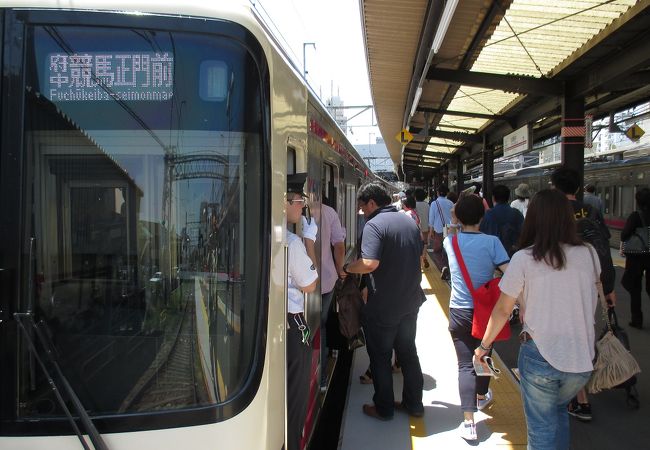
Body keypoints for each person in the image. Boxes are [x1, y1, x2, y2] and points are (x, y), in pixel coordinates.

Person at [475, 189, 599, 450]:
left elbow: (502, 310)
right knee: (558, 413)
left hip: (540, 355)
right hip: (581, 358)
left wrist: (484, 347)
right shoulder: (589, 253)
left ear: (532, 219)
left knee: (541, 431)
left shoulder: (524, 259)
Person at [344, 181, 425, 420]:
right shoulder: (409, 220)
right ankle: (414, 405)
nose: (362, 213)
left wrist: (348, 268)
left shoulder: (375, 225)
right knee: (408, 354)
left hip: (384, 307)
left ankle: (384, 407)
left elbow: (369, 263)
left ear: (372, 203)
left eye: (362, 208)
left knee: (380, 357)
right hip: (410, 302)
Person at [550, 166, 616, 421]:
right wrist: (607, 289)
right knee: (583, 333)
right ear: (577, 188)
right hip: (586, 284)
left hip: (556, 283)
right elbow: (602, 248)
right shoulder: (590, 210)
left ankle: (564, 395)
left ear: (554, 186)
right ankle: (582, 399)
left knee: (558, 336)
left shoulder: (551, 211)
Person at [444, 195, 509, 441]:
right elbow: (510, 274)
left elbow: (451, 230)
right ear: (482, 217)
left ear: (459, 218)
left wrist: (454, 219)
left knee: (464, 365)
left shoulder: (451, 241)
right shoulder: (493, 242)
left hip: (459, 310)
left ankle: (469, 423)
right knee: (484, 354)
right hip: (487, 312)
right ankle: (482, 397)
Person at [285, 173, 319, 450]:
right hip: (293, 323)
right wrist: (309, 240)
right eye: (298, 201)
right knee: (296, 393)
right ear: (284, 202)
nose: (301, 207)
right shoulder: (293, 243)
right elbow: (310, 285)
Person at [316, 199, 346, 390]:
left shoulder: (292, 208)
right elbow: (340, 246)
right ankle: (322, 378)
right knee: (321, 325)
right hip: (326, 280)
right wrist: (340, 270)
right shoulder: (329, 212)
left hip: (299, 283)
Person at [621, 187, 650, 329]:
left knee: (635, 289)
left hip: (636, 257)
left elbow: (624, 235)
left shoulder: (635, 216)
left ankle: (637, 320)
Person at [480, 184, 524, 257]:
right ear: (509, 197)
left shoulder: (488, 215)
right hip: (513, 255)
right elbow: (523, 234)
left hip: (493, 255)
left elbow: (483, 235)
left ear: (493, 198)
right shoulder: (517, 214)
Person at [414, 188, 431, 269]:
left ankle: (419, 260)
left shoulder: (414, 205)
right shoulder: (427, 205)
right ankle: (424, 257)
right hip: (425, 227)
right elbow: (429, 216)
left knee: (417, 244)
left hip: (416, 227)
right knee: (425, 243)